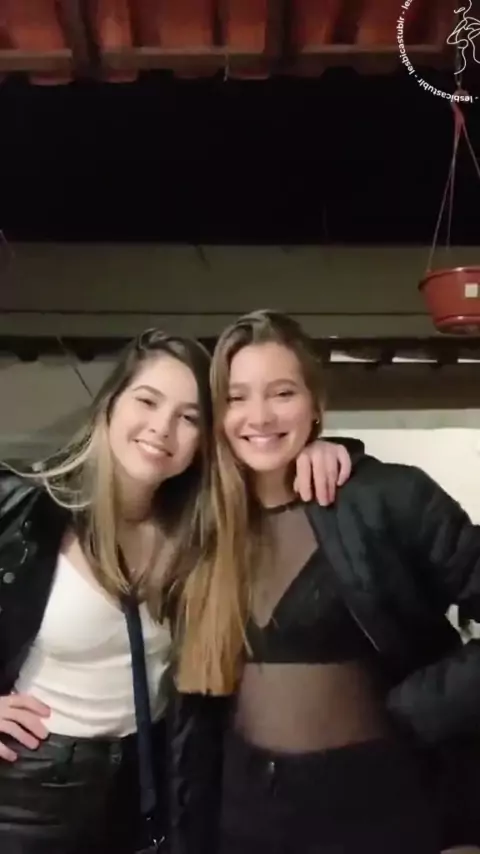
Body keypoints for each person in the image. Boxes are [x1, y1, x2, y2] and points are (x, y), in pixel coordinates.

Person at [0, 325, 349, 854]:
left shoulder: (201, 529)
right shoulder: (23, 507)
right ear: (110, 405)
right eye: (147, 401)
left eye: (189, 417)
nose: (162, 428)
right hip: (28, 785)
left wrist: (324, 450)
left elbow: (272, 463)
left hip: (145, 784)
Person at [169, 309, 480, 854]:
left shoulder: (390, 498)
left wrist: (428, 705)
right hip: (245, 811)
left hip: (378, 804)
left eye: (282, 393)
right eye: (237, 397)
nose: (259, 415)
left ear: (315, 404)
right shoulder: (204, 522)